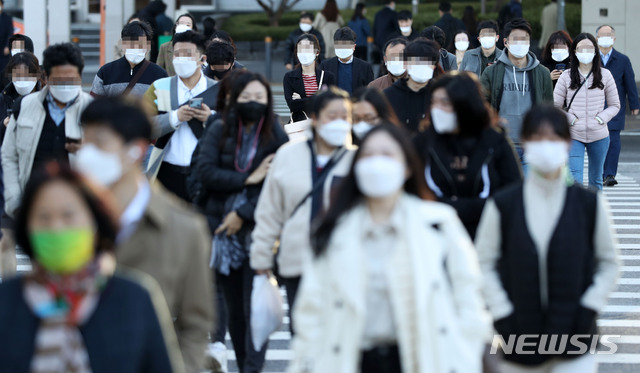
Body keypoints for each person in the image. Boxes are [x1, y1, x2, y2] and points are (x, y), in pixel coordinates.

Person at [288, 123, 490, 373]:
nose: (377, 163)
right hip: (351, 360)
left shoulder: (439, 223)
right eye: (368, 155)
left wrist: (467, 356)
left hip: (425, 359)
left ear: (406, 168)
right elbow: (310, 312)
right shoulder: (332, 232)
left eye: (387, 154)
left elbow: (469, 298)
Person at [0, 163, 185, 373]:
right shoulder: (7, 300)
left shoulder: (134, 299)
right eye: (43, 217)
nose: (56, 227)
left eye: (68, 215)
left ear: (95, 222)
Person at [74, 97, 214, 373]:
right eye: (85, 143)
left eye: (99, 143)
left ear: (135, 151)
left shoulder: (185, 228)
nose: (87, 154)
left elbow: (196, 323)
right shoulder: (68, 216)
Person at [475, 104, 619, 373]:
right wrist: (502, 311)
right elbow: (483, 262)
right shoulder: (504, 203)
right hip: (517, 336)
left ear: (567, 143)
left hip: (575, 338)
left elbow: (609, 263)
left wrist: (588, 307)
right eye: (537, 138)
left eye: (554, 138)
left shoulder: (588, 204)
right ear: (526, 141)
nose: (546, 146)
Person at [196, 72, 288, 373]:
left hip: (259, 232)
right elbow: (205, 173)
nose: (252, 103)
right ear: (234, 100)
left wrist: (243, 212)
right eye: (246, 98)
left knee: (254, 307)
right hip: (221, 232)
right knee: (235, 309)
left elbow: (278, 182)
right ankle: (243, 361)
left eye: (259, 98)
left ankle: (252, 368)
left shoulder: (274, 132)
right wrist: (248, 178)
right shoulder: (218, 127)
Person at [251, 87, 356, 332]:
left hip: (346, 264)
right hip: (297, 260)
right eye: (332, 116)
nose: (339, 123)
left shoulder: (357, 161)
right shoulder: (288, 156)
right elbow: (269, 213)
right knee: (303, 332)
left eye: (345, 116)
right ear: (315, 119)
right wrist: (261, 259)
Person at [415, 72, 521, 238]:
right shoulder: (423, 142)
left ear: (464, 104)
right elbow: (412, 192)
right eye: (434, 102)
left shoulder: (494, 141)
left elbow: (512, 191)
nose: (437, 109)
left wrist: (456, 207)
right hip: (434, 236)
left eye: (445, 102)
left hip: (486, 234)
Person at [2, 42, 92, 220]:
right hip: (32, 205)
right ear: (47, 76)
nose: (65, 84)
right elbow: (8, 154)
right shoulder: (25, 106)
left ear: (80, 76)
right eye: (59, 79)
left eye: (71, 78)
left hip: (77, 207)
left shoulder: (92, 110)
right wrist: (14, 199)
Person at [143, 30, 219, 201]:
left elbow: (233, 129)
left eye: (187, 54)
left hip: (206, 172)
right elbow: (142, 126)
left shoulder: (219, 90)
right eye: (177, 54)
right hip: (166, 172)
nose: (181, 59)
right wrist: (174, 117)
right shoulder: (159, 87)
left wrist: (210, 118)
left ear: (202, 59)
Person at [481, 18, 553, 166]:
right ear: (506, 42)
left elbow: (549, 109)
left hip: (532, 145)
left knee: (529, 189)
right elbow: (482, 106)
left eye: (524, 40)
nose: (520, 43)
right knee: (506, 189)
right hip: (502, 144)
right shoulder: (491, 72)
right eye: (516, 39)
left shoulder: (542, 73)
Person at [553, 33, 620, 190]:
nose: (585, 52)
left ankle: (594, 213)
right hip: (573, 134)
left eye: (589, 48)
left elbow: (615, 105)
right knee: (575, 179)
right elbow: (555, 106)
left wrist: (601, 119)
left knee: (596, 179)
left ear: (595, 51)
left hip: (599, 135)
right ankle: (577, 213)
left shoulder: (606, 75)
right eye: (581, 48)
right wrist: (572, 119)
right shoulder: (566, 76)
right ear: (575, 51)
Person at [0, 51, 43, 280]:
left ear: (37, 75)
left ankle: (40, 289)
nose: (22, 80)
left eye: (27, 75)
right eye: (17, 75)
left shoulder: (47, 102)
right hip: (6, 178)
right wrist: (3, 125)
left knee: (38, 238)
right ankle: (8, 293)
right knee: (7, 239)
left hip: (37, 177)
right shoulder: (3, 99)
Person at [597, 24, 640, 187]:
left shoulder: (623, 60)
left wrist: (635, 104)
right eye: (602, 35)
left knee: (613, 140)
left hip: (616, 107)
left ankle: (609, 174)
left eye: (608, 34)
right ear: (596, 38)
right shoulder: (593, 59)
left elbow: (630, 83)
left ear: (614, 38)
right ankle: (599, 173)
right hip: (596, 107)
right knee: (599, 141)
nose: (605, 37)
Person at [91, 21, 168, 97]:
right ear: (122, 44)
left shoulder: (160, 75)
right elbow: (95, 106)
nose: (135, 48)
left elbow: (165, 107)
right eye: (131, 44)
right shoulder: (105, 72)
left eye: (140, 45)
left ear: (148, 46)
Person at [385, 39, 444, 134]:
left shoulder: (441, 95)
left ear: (434, 66)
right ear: (405, 63)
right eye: (416, 61)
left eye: (427, 62)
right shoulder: (388, 96)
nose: (421, 66)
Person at [283, 34, 336, 124]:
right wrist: (319, 98)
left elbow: (330, 103)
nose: (304, 52)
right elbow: (292, 105)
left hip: (323, 124)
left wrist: (301, 100)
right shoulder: (289, 77)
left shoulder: (328, 77)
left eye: (307, 48)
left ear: (317, 52)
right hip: (299, 126)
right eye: (300, 49)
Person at [320, 27, 374, 95]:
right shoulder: (325, 66)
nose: (343, 48)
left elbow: (370, 93)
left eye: (346, 45)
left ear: (354, 47)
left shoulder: (365, 67)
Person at [0, 1, 13, 73]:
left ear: (2, 6)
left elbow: (10, 33)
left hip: (3, 51)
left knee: (3, 71)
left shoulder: (7, 18)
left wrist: (7, 46)